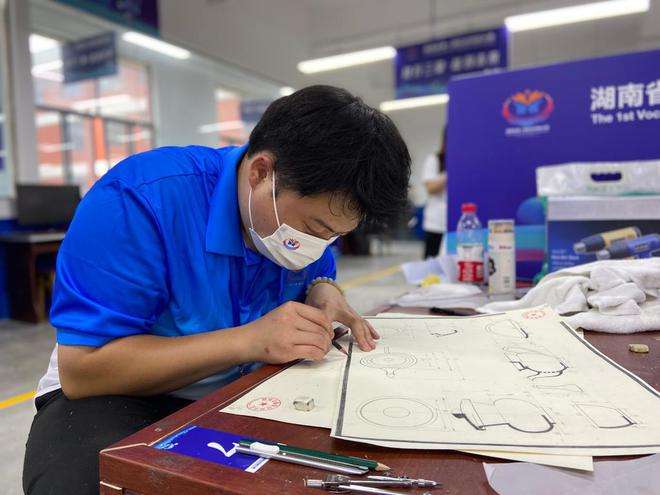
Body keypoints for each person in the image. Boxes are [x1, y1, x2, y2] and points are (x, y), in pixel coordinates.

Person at [23, 85, 411, 495]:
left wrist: (323, 289)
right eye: (316, 229)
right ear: (261, 173)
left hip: (239, 389)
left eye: (334, 236)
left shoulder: (292, 215)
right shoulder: (138, 201)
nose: (320, 245)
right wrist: (251, 341)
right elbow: (84, 372)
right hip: (115, 394)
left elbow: (316, 265)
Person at [421, 129, 448, 259]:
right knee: (431, 265)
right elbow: (430, 188)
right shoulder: (434, 160)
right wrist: (451, 171)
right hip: (436, 224)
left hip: (455, 226)